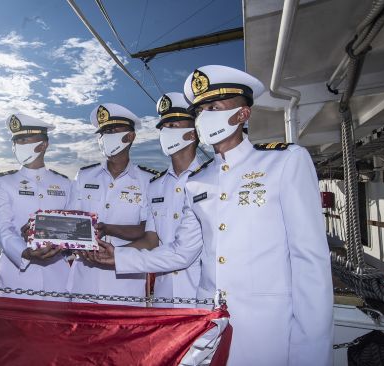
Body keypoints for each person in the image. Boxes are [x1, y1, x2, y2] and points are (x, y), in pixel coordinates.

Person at [91, 65, 334, 365]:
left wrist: (309, 354)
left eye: (214, 107)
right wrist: (118, 256)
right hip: (208, 328)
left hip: (266, 333)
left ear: (243, 114)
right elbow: (182, 252)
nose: (205, 115)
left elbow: (310, 264)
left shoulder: (284, 162)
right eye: (200, 110)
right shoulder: (199, 181)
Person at [67, 103, 158, 305]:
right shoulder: (84, 176)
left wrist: (108, 228)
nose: (105, 137)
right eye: (103, 132)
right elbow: (70, 222)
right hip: (84, 284)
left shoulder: (149, 181)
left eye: (112, 131)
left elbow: (147, 231)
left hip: (126, 288)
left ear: (130, 136)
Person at [126, 92, 207, 307]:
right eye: (163, 127)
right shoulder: (155, 186)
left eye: (173, 125)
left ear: (192, 133)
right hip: (164, 296)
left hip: (201, 294)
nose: (165, 132)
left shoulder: (211, 179)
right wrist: (114, 253)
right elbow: (152, 240)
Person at [0, 114, 72, 299]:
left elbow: (73, 227)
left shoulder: (65, 184)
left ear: (43, 145)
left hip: (57, 281)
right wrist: (25, 252)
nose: (18, 145)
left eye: (24, 140)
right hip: (16, 281)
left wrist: (65, 246)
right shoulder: (4, 182)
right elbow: (1, 226)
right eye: (16, 141)